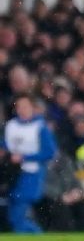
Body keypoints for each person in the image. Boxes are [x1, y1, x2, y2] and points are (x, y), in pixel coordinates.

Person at [4, 95, 57, 233]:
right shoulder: (11, 125)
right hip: (13, 172)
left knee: (18, 212)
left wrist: (25, 157)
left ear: (33, 108)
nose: (22, 110)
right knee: (14, 212)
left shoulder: (40, 127)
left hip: (32, 173)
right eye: (19, 107)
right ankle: (33, 237)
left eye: (25, 106)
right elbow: (5, 145)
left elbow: (49, 152)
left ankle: (36, 235)